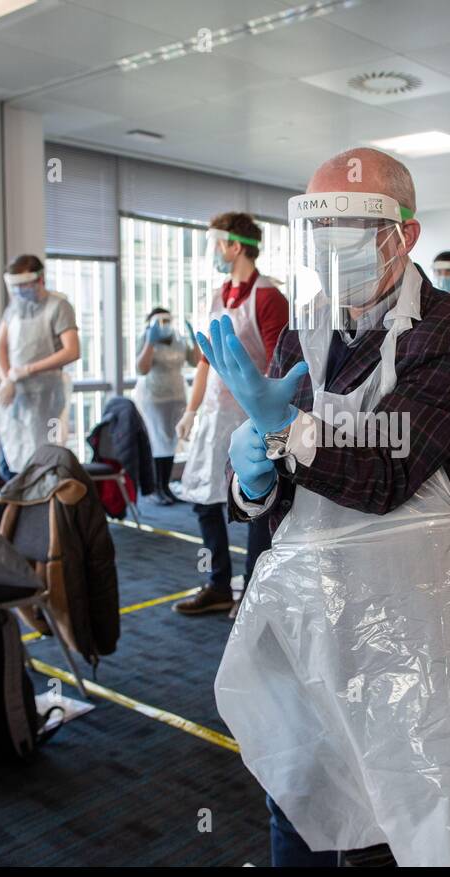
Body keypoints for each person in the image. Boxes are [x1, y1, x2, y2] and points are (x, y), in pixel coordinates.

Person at [207, 147, 450, 866]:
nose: (332, 238)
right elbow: (271, 490)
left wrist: (285, 431)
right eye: (320, 223)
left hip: (406, 623)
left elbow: (382, 475)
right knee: (302, 799)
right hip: (305, 614)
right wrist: (250, 481)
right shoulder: (306, 330)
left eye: (352, 221)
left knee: (397, 812)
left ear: (405, 233)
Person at [173, 212, 287, 617]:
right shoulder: (219, 296)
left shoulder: (269, 297)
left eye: (216, 244)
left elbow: (281, 363)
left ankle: (253, 590)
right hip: (213, 414)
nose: (214, 253)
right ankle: (218, 583)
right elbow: (205, 360)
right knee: (204, 498)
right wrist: (191, 409)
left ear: (235, 246)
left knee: (257, 502)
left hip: (251, 417)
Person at [0, 254, 80, 478]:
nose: (20, 291)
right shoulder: (14, 310)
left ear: (40, 279)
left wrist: (28, 370)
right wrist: (8, 379)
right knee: (11, 464)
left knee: (45, 464)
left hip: (48, 396)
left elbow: (71, 351)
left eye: (24, 284)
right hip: (18, 397)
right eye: (15, 286)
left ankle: (44, 512)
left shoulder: (59, 306)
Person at [134, 306, 197, 504]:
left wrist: (193, 340)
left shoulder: (177, 340)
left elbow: (195, 362)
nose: (164, 325)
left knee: (171, 441)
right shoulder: (145, 339)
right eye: (159, 321)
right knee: (157, 441)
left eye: (167, 320)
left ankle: (166, 486)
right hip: (154, 396)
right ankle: (156, 488)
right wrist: (150, 343)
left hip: (176, 395)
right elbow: (141, 368)